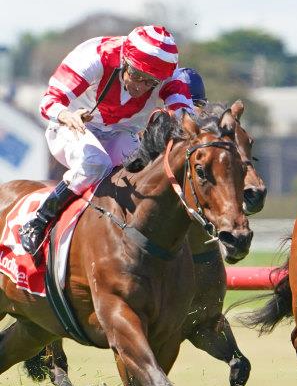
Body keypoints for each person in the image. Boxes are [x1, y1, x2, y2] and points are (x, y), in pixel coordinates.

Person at [19, 25, 194, 255]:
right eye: (137, 75)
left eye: (150, 82)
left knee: (146, 171)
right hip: (71, 125)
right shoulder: (95, 56)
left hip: (119, 132)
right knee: (95, 163)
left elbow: (186, 117)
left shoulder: (170, 74)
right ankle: (39, 220)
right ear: (124, 61)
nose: (140, 87)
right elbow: (49, 101)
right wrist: (67, 115)